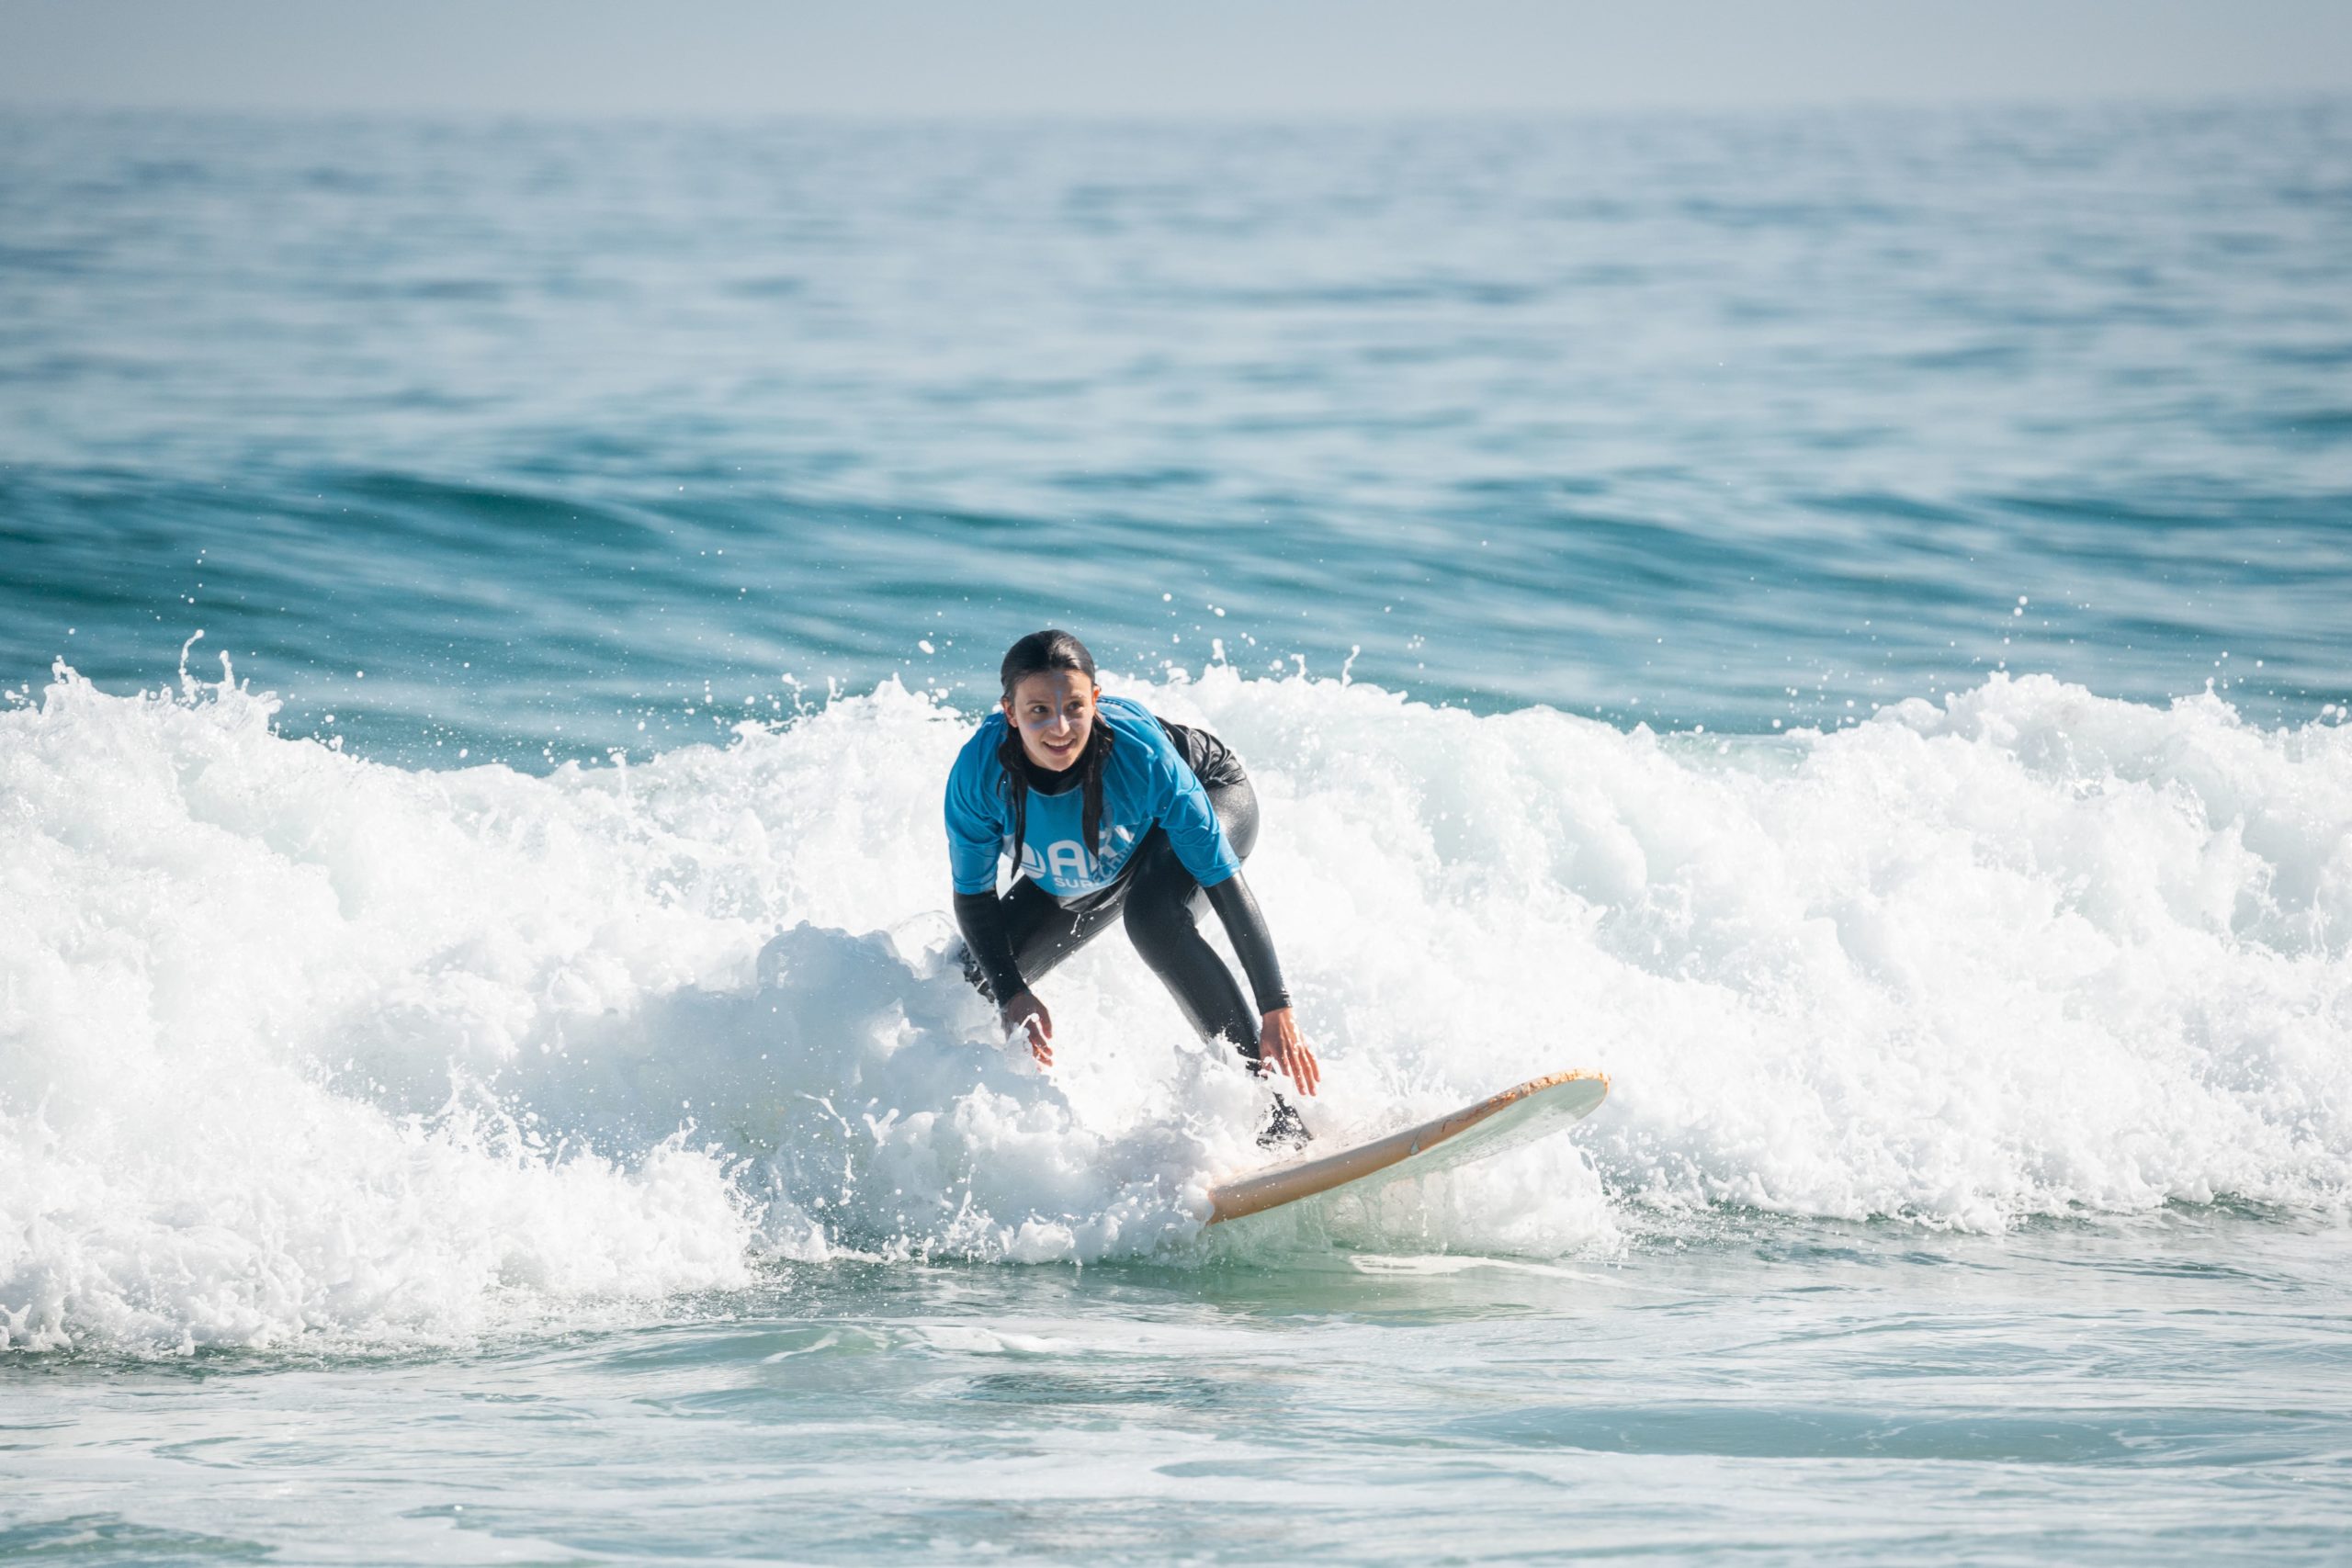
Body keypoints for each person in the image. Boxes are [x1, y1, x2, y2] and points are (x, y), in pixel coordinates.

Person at [944, 628, 1319, 1148]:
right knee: (970, 979)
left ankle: (1277, 1117)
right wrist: (1012, 993)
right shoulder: (979, 776)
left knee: (1154, 921)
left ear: (1095, 701)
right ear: (1009, 712)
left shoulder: (1142, 758)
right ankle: (967, 1129)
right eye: (1038, 712)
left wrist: (1276, 1006)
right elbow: (974, 897)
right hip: (1100, 853)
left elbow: (1221, 880)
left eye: (1074, 707)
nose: (1059, 728)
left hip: (1211, 790)